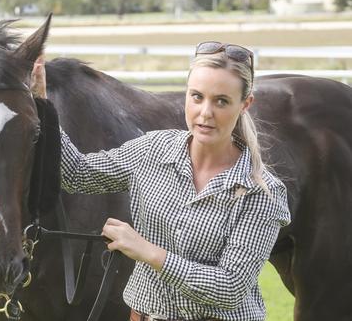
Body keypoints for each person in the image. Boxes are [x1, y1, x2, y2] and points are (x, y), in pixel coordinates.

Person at [30, 42, 291, 321]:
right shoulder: (154, 149)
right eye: (197, 97)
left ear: (245, 104)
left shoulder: (262, 192)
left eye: (221, 101)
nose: (205, 113)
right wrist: (44, 106)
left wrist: (148, 252)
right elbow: (78, 174)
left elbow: (228, 288)